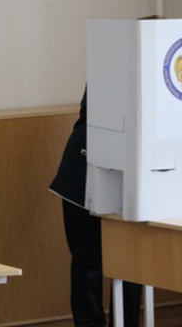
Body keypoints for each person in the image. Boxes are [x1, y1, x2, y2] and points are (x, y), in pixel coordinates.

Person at [49, 88, 142, 327]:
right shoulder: (108, 66)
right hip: (83, 173)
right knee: (88, 263)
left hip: (130, 175)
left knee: (130, 266)